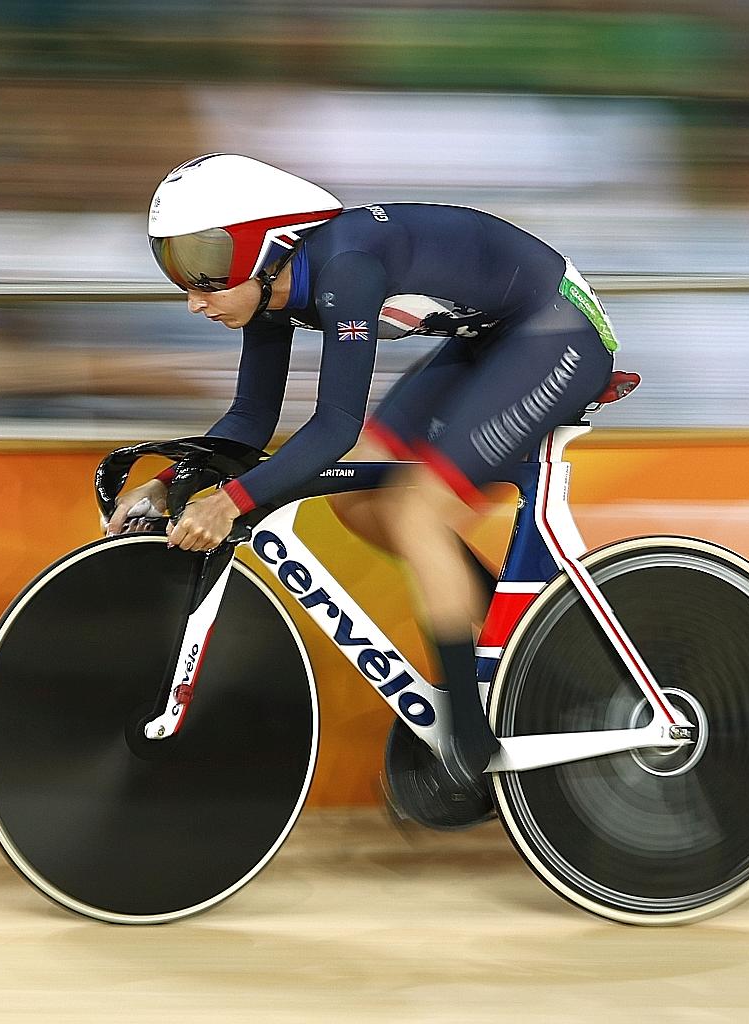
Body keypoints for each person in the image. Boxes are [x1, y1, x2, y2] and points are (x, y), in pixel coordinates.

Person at [107, 153, 618, 828]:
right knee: (357, 498)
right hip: (492, 338)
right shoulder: (270, 291)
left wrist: (232, 501)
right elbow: (250, 422)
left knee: (414, 512)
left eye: (203, 268)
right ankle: (521, 642)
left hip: (557, 332)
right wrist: (169, 481)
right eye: (175, 266)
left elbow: (335, 429)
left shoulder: (346, 269)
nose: (193, 296)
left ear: (265, 245)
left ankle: (470, 738)